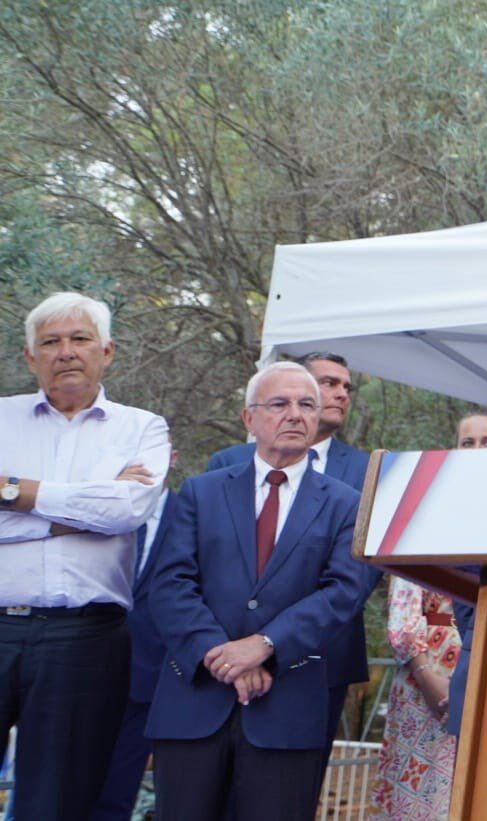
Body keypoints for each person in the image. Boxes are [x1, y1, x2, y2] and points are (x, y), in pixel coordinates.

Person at [147, 362, 367, 820]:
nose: (295, 414)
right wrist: (223, 655)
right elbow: (170, 583)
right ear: (249, 419)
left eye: (306, 404)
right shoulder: (201, 492)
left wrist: (266, 646)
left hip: (287, 711)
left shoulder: (347, 503)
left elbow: (343, 592)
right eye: (279, 404)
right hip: (195, 703)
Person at [0, 292, 169, 821]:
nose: (66, 351)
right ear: (31, 357)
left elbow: (126, 511)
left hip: (85, 638)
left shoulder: (143, 428)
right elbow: (106, 506)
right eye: (50, 342)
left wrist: (12, 492)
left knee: (54, 803)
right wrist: (86, 504)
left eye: (80, 340)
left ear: (108, 351)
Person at [207, 351, 376, 756]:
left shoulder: (370, 471)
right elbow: (204, 566)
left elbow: (363, 574)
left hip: (322, 659)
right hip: (224, 660)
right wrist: (237, 653)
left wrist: (271, 643)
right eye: (328, 383)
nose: (340, 394)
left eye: (345, 386)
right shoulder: (227, 463)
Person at [370, 412, 487, 819]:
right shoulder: (428, 508)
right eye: (469, 443)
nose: (478, 451)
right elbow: (404, 602)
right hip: (422, 683)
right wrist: (431, 680)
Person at [92, 454, 179, 821]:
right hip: (77, 667)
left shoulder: (193, 513)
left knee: (117, 794)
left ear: (172, 458)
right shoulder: (97, 505)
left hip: (147, 677)